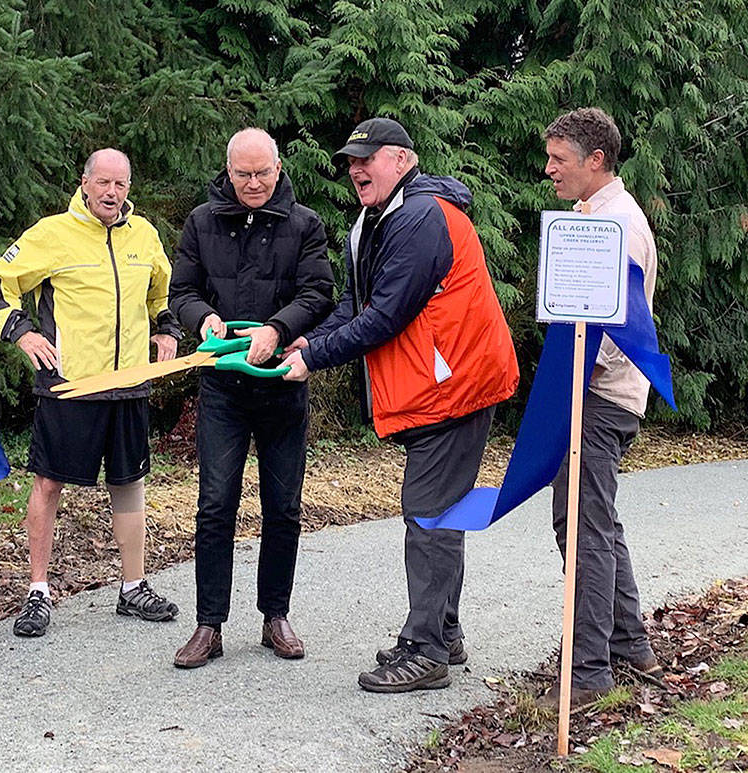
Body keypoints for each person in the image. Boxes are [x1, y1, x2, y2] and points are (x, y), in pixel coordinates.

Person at [279, 118, 519, 693]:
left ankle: (427, 648)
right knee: (441, 511)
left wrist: (316, 359)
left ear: (403, 161)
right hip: (436, 386)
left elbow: (387, 315)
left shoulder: (420, 219)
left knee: (428, 512)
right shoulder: (375, 220)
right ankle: (446, 630)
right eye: (352, 161)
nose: (357, 169)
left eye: (369, 158)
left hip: (454, 385)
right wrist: (309, 341)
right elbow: (355, 304)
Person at [0, 148, 183, 637]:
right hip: (70, 384)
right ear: (85, 183)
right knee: (49, 484)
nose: (112, 193)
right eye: (104, 183)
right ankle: (37, 592)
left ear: (128, 188)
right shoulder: (52, 233)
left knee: (129, 482)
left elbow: (160, 294)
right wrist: (21, 333)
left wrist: (166, 329)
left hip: (129, 384)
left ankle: (133, 586)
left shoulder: (145, 235)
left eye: (121, 184)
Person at [168, 128, 335, 668]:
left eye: (263, 173)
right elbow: (182, 293)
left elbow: (319, 293)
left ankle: (275, 616)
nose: (254, 183)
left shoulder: (305, 224)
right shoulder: (201, 221)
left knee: (283, 506)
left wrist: (277, 329)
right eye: (244, 174)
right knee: (215, 505)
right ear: (229, 170)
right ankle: (208, 625)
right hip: (223, 386)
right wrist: (203, 319)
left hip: (282, 383)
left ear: (279, 168)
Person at [537, 107, 661, 710]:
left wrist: (577, 377)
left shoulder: (620, 225)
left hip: (603, 395)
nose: (549, 169)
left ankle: (587, 673)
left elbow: (617, 327)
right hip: (593, 392)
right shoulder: (592, 215)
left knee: (582, 523)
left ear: (595, 160)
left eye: (560, 159)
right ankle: (631, 641)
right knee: (595, 519)